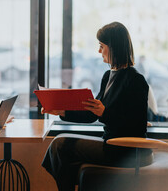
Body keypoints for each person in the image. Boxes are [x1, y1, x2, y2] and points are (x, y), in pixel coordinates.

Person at [41, 22, 152, 191]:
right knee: (60, 148)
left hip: (126, 150)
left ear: (113, 47)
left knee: (60, 145)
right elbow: (92, 114)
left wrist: (105, 113)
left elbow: (137, 126)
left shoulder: (135, 80)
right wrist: (61, 111)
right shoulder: (108, 75)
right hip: (111, 144)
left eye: (101, 46)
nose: (99, 51)